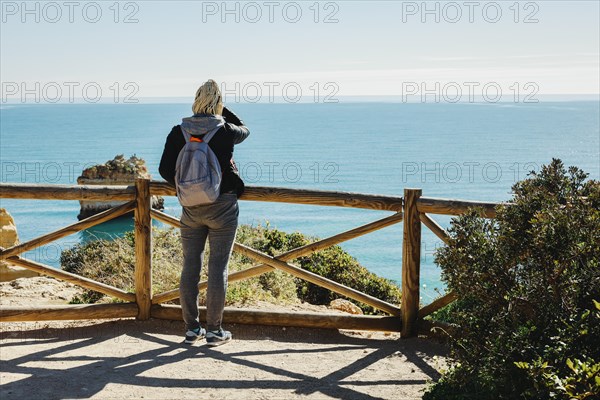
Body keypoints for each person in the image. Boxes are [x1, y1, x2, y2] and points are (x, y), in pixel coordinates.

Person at [159, 79, 250, 346]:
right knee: (218, 267)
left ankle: (191, 329)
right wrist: (223, 110)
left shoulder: (179, 131)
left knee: (190, 266)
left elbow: (166, 170)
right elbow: (246, 130)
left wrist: (189, 188)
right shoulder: (225, 130)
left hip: (190, 208)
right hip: (222, 207)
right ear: (218, 103)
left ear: (195, 101)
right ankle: (214, 331)